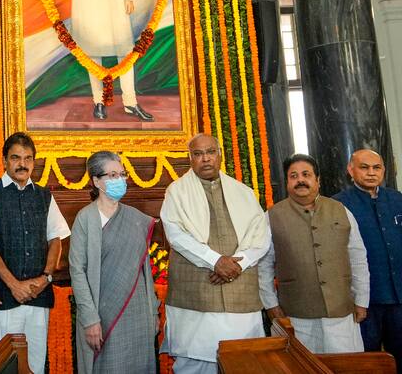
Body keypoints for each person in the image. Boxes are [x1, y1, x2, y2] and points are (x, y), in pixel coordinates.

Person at [161, 133, 270, 374]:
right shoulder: (176, 192)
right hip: (197, 295)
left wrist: (236, 266)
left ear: (220, 154)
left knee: (244, 362)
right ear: (190, 159)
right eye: (198, 154)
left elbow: (261, 236)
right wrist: (215, 261)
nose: (205, 159)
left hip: (239, 293)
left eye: (210, 152)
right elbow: (176, 236)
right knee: (196, 363)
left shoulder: (244, 192)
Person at [259, 153, 370, 353]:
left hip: (341, 313)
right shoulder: (272, 216)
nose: (300, 180)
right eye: (293, 176)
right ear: (287, 183)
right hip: (296, 315)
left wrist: (362, 300)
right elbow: (264, 266)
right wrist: (271, 305)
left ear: (317, 180)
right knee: (303, 366)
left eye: (306, 174)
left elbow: (358, 258)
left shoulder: (340, 210)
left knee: (346, 366)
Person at [0, 132, 71, 374]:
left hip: (38, 295)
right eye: (16, 158)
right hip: (4, 298)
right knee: (4, 364)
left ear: (34, 162)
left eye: (28, 158)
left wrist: (46, 278)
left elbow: (56, 238)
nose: (22, 164)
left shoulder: (43, 196)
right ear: (4, 161)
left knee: (35, 363)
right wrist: (13, 285)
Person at [69, 151, 158, 373]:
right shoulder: (85, 219)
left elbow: (145, 272)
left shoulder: (136, 219)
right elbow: (77, 271)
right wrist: (90, 319)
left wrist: (153, 313)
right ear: (96, 181)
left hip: (138, 315)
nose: (120, 180)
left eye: (122, 174)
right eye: (112, 175)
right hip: (101, 318)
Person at [334, 149, 402, 372]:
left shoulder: (397, 199)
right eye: (364, 167)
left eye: (377, 167)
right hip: (364, 302)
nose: (371, 173)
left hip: (399, 297)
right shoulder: (337, 205)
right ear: (350, 170)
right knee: (367, 361)